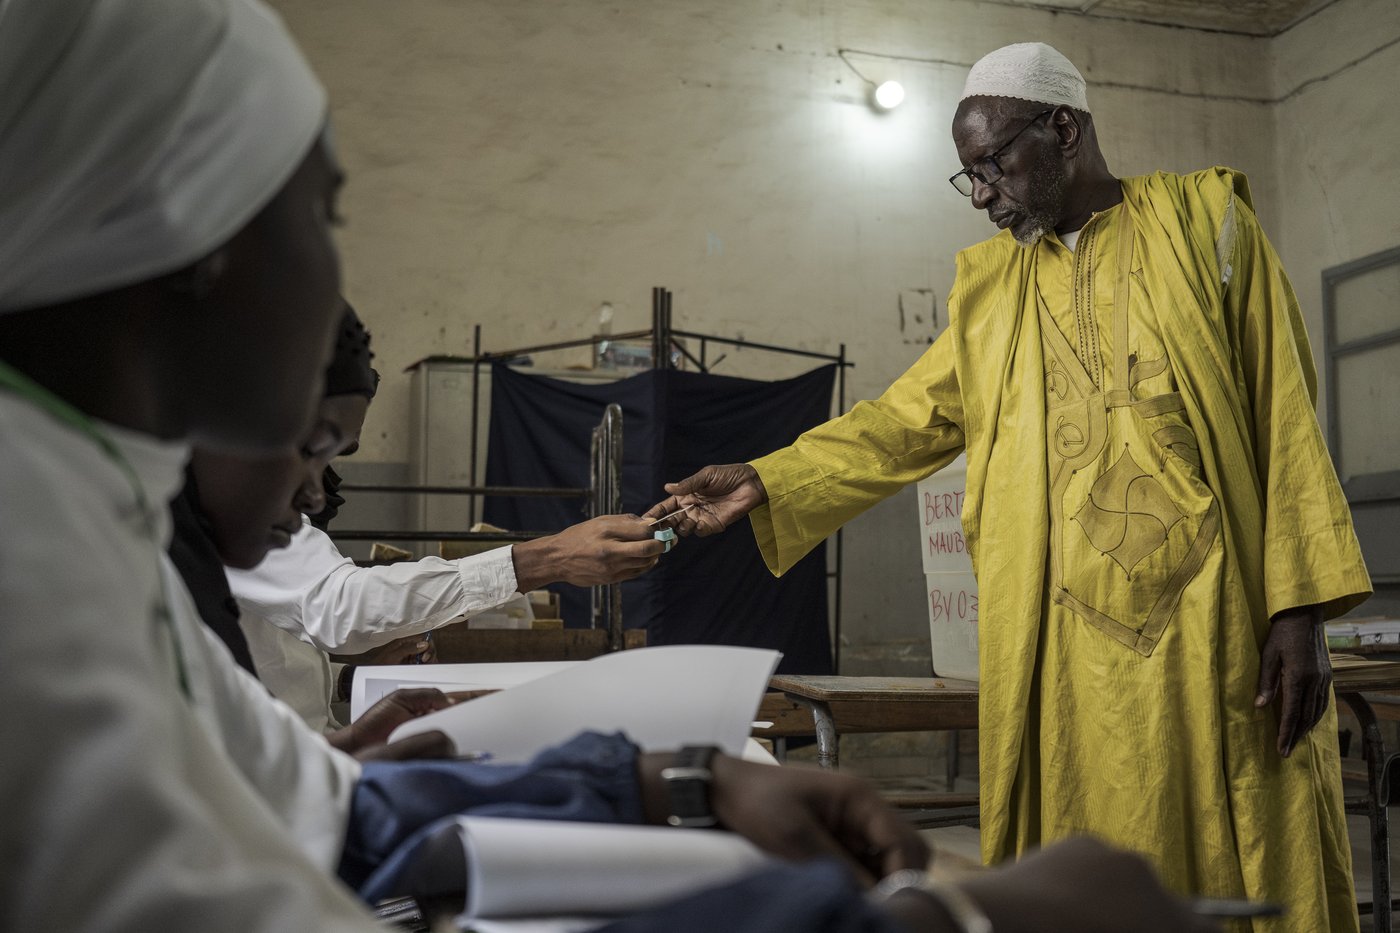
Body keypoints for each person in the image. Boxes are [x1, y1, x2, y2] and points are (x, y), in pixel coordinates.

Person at [0, 5, 1214, 929]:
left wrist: (669, 782)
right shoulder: (31, 562)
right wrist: (953, 916)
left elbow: (323, 815)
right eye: (323, 217)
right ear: (192, 248)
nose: (336, 280)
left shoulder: (92, 511)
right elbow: (901, 422)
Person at [647, 42, 1371, 932]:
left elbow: (1282, 410)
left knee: (1228, 840)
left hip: (1209, 631)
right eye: (969, 177)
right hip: (1058, 643)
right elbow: (901, 420)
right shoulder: (991, 294)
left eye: (990, 164)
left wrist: (1298, 613)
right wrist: (766, 476)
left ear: (1063, 129)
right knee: (1079, 850)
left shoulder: (1205, 226)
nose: (982, 193)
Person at [219, 303, 669, 730]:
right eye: (316, 451)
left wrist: (345, 679)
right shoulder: (232, 500)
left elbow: (267, 645)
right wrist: (546, 559)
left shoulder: (251, 493)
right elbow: (338, 607)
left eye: (336, 458)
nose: (318, 491)